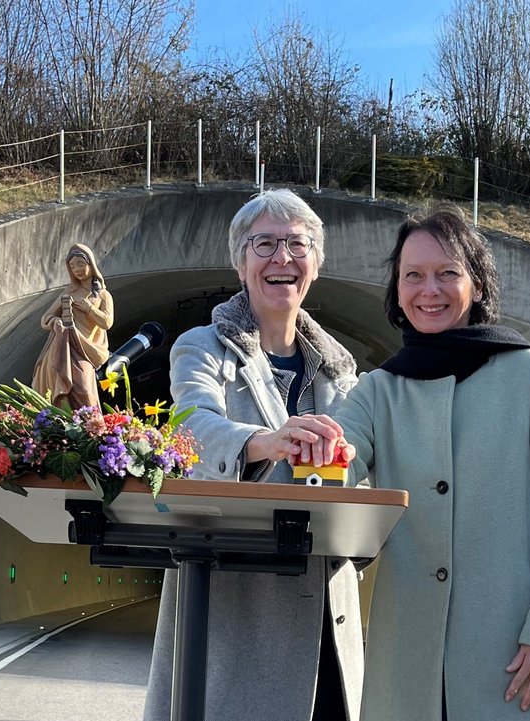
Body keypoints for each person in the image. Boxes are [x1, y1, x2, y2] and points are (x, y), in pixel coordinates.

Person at [332, 205, 530, 721]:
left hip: (513, 664)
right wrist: (307, 448)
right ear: (396, 290)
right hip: (407, 668)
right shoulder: (378, 391)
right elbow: (336, 463)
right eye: (413, 276)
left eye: (447, 273)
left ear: (476, 282)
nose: (428, 289)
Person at [142, 189, 365, 721]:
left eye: (297, 244)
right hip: (232, 607)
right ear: (240, 263)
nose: (281, 258)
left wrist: (355, 461)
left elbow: (363, 468)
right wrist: (267, 441)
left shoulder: (341, 369)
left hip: (326, 612)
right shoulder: (202, 346)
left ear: (315, 264)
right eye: (263, 244)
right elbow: (190, 428)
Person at [32, 243, 113, 410]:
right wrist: (56, 322)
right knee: (60, 389)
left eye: (81, 264)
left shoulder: (103, 295)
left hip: (85, 349)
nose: (77, 269)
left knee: (85, 390)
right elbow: (46, 318)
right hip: (64, 348)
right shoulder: (69, 293)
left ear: (91, 265)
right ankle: (59, 426)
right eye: (72, 266)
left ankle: (90, 428)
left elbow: (107, 322)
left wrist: (89, 309)